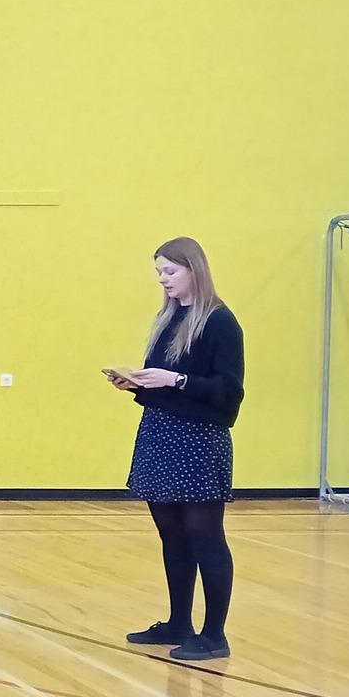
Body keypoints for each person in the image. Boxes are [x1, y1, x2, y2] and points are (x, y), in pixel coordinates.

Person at [108, 237, 245, 662]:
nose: (163, 280)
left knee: (206, 537)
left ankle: (214, 635)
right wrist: (138, 384)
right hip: (161, 434)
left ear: (193, 269)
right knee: (173, 537)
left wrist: (176, 381)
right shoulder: (169, 319)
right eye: (159, 273)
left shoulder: (220, 322)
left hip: (198, 441)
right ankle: (178, 623)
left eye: (170, 271)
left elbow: (228, 391)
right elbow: (166, 384)